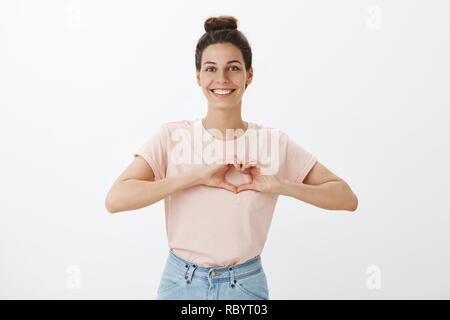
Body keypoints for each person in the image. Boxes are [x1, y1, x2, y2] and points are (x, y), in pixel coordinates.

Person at [105, 15, 358, 300]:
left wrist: (281, 186)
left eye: (233, 68)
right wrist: (196, 177)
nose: (222, 79)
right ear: (198, 76)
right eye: (211, 68)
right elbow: (116, 199)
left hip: (245, 286)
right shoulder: (172, 136)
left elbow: (346, 198)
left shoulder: (272, 142)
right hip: (180, 284)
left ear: (249, 74)